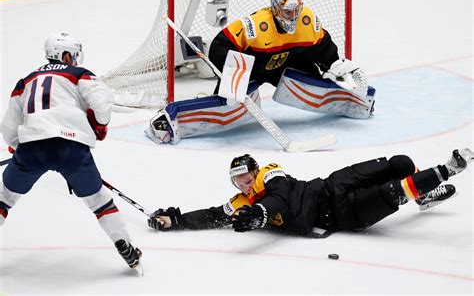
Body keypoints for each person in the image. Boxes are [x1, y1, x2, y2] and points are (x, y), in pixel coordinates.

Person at [146, 0, 374, 145]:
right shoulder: (256, 25)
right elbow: (218, 45)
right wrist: (234, 70)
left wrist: (334, 63)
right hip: (252, 68)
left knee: (318, 85)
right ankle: (168, 121)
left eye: (296, 10)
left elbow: (323, 46)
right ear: (275, 9)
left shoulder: (307, 21)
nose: (293, 16)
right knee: (229, 107)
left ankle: (358, 104)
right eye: (287, 11)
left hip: (286, 65)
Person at [0, 32, 142, 272]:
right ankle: (124, 244)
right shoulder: (79, 74)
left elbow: (8, 127)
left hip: (32, 147)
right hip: (71, 147)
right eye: (74, 55)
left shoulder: (24, 82)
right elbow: (102, 103)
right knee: (99, 200)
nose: (75, 60)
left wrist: (17, 146)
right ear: (65, 55)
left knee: (4, 198)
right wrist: (99, 124)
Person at [147, 148, 472, 237]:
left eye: (247, 177)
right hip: (340, 216)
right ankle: (447, 169)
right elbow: (213, 216)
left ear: (256, 171)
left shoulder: (270, 175)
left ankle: (424, 195)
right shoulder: (240, 203)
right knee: (391, 193)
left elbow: (279, 197)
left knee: (399, 163)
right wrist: (175, 220)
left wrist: (259, 214)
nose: (245, 185)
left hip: (332, 185)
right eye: (239, 182)